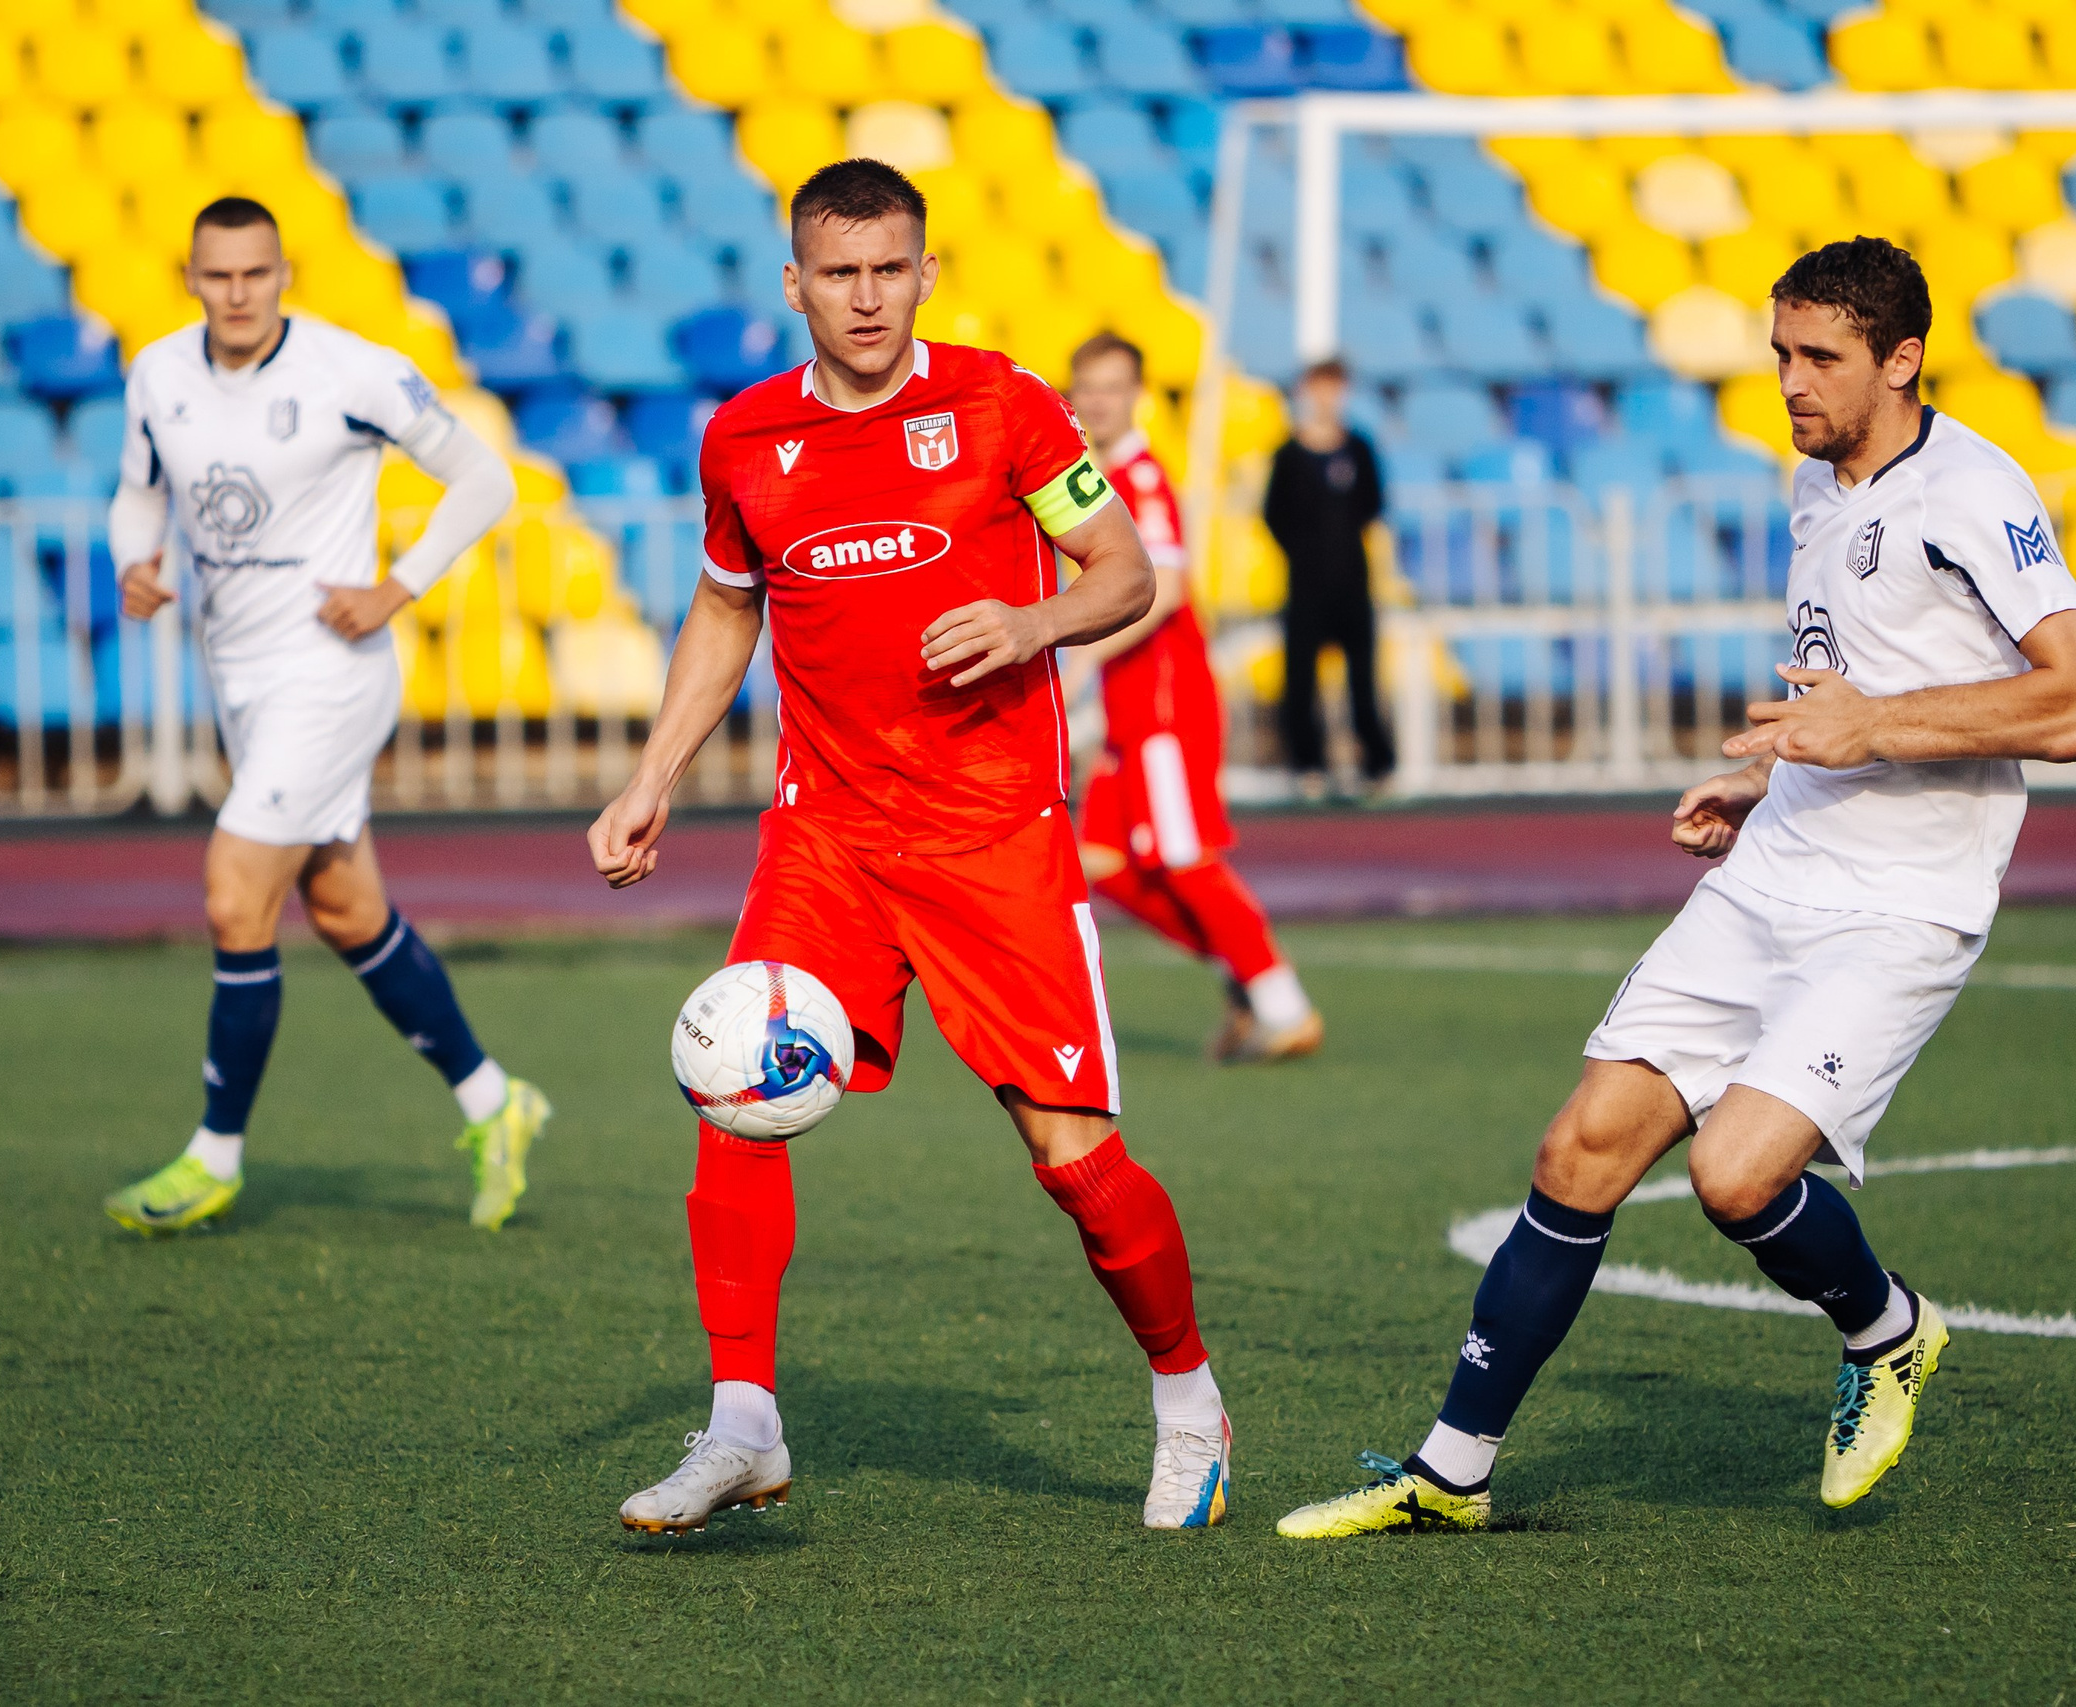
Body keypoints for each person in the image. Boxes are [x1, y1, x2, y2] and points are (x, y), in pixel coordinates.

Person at [1276, 237, 2076, 1538]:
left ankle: (1887, 1330)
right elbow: (1845, 685)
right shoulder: (1815, 478)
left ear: (1902, 360)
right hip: (1778, 866)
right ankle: (1452, 1469)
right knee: (1579, 1148)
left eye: (1820, 357)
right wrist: (1772, 777)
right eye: (1780, 351)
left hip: (1900, 906)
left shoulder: (1973, 491)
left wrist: (1874, 729)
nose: (1788, 379)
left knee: (1734, 1176)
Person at [588, 160, 1232, 1536]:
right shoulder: (747, 440)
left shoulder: (1003, 403)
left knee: (1072, 1159)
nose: (867, 296)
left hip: (995, 834)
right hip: (826, 830)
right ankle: (743, 1422)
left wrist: (1029, 619)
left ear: (925, 271)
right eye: (840, 272)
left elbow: (1126, 572)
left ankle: (1189, 1398)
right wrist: (653, 775)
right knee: (733, 1095)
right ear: (796, 284)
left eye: (891, 268)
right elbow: (723, 613)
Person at [101, 197, 549, 1237]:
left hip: (334, 671)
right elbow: (136, 493)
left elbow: (482, 479)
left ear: (284, 271)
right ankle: (497, 1101)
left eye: (256, 274)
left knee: (232, 892)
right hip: (242, 680)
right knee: (346, 913)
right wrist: (135, 559)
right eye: (218, 277)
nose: (238, 293)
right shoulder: (159, 376)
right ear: (191, 276)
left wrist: (397, 588)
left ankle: (214, 1155)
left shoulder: (351, 371)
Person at [1065, 333, 1321, 1063]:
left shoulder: (1140, 479)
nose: (1100, 400)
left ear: (1136, 395)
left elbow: (1163, 589)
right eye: (1089, 386)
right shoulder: (1100, 475)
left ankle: (1283, 1002)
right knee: (1103, 863)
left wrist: (1080, 656)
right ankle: (1242, 976)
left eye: (1114, 386)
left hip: (1165, 706)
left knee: (1182, 858)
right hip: (1129, 709)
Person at [1262, 357, 1392, 795]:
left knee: (1362, 680)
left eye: (1333, 387)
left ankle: (1375, 765)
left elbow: (1373, 505)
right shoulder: (1288, 455)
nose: (1326, 397)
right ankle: (1307, 765)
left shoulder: (1359, 448)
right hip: (1305, 584)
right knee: (1300, 680)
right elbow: (1273, 514)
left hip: (1353, 582)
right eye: (1319, 387)